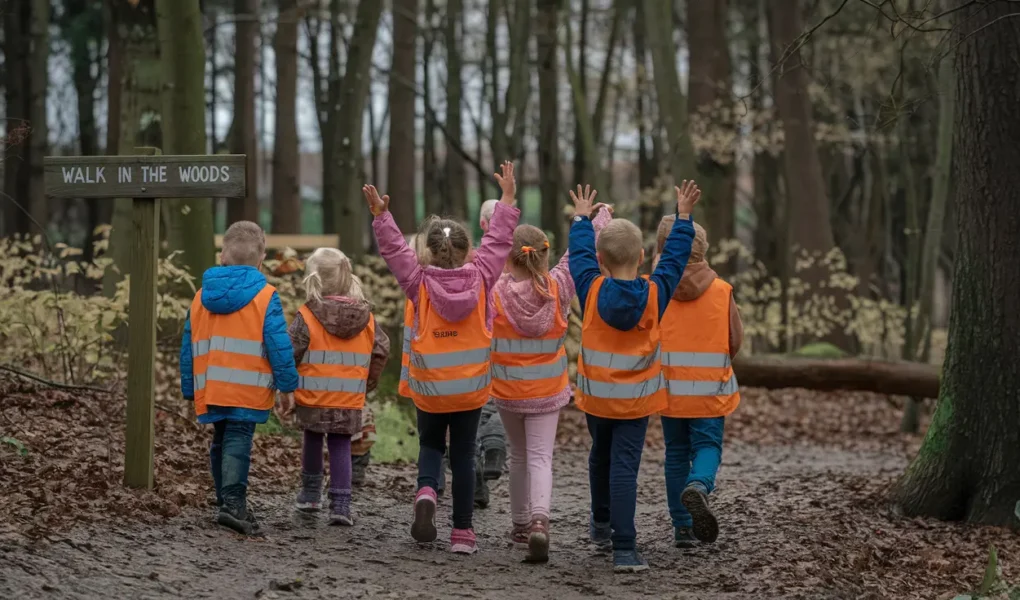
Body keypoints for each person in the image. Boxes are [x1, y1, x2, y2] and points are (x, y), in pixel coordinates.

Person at [364, 161, 519, 555]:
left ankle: (427, 493)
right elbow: (499, 242)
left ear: (428, 252)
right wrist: (506, 199)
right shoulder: (483, 276)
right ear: (469, 250)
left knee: (431, 447)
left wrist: (383, 217)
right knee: (464, 455)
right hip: (470, 388)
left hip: (429, 385)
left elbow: (396, 252)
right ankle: (463, 534)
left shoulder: (419, 282)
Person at [569, 181, 700, 573]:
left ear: (601, 260)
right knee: (624, 465)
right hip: (636, 401)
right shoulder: (656, 294)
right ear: (644, 257)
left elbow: (578, 255)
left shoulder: (590, 289)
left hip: (597, 399)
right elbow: (676, 258)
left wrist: (581, 218)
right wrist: (684, 217)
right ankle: (625, 549)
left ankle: (601, 522)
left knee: (600, 455)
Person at [490, 202, 613, 563]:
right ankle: (540, 522)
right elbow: (580, 251)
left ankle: (519, 525)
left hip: (508, 390)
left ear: (509, 260)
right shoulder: (560, 285)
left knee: (518, 457)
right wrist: (597, 216)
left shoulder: (495, 291)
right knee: (542, 457)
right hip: (547, 390)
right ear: (545, 256)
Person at [179, 221, 299, 536]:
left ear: (222, 255)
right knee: (237, 440)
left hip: (213, 385)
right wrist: (288, 385)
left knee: (221, 439)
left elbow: (188, 344)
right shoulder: (265, 295)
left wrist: (190, 387)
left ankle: (225, 498)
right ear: (261, 261)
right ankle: (233, 504)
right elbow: (278, 342)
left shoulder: (202, 295)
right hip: (247, 388)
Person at [654, 219, 743, 548]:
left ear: (662, 250)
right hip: (710, 388)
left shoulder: (658, 289)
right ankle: (699, 486)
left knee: (676, 451)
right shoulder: (722, 291)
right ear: (703, 249)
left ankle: (682, 527)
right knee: (707, 447)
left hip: (670, 388)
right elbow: (735, 339)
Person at [287, 248, 390, 525]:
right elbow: (381, 348)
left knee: (312, 438)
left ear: (314, 279)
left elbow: (291, 349)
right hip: (349, 395)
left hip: (312, 394)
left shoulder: (307, 315)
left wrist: (285, 383)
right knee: (341, 443)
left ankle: (310, 495)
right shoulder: (366, 317)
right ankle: (341, 506)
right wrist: (368, 381)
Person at [436, 199, 508, 509]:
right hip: (517, 350)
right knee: (501, 406)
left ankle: (476, 475)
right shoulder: (523, 256)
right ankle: (494, 442)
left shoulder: (475, 264)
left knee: (474, 414)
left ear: (482, 226)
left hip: (476, 346)